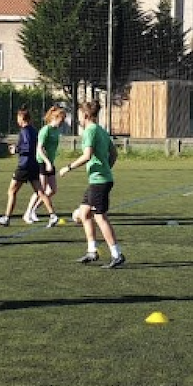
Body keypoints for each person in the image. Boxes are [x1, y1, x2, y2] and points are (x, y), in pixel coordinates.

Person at [59, 101, 124, 269]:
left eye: (79, 115)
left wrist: (68, 167)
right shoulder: (101, 130)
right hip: (100, 179)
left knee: (100, 217)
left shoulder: (90, 131)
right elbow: (114, 153)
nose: (78, 119)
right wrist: (106, 168)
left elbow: (87, 155)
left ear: (86, 115)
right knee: (84, 212)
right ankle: (92, 251)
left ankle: (117, 254)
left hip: (99, 182)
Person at [0, 106, 60, 227]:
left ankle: (7, 218)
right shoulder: (34, 130)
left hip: (24, 165)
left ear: (21, 118)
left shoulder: (24, 131)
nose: (17, 120)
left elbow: (28, 147)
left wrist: (16, 149)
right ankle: (53, 215)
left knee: (12, 191)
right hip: (34, 164)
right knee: (40, 191)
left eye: (18, 118)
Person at [23, 105, 66, 224]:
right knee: (40, 190)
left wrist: (50, 162)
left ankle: (34, 210)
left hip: (50, 163)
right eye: (61, 120)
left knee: (52, 190)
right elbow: (39, 149)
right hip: (41, 162)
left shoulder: (56, 131)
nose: (62, 123)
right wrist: (47, 162)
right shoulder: (45, 130)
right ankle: (27, 213)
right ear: (55, 118)